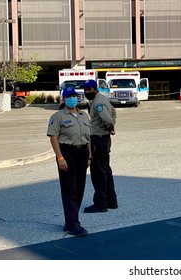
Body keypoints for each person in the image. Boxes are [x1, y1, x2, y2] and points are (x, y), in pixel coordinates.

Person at [47, 87, 91, 237]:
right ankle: (73, 224)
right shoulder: (58, 116)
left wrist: (89, 156)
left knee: (79, 189)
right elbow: (53, 137)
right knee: (69, 189)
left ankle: (70, 221)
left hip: (82, 153)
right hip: (67, 154)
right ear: (64, 99)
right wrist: (60, 158)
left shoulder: (83, 115)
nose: (72, 98)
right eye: (69, 96)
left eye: (74, 96)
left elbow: (88, 137)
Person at [82, 79, 118, 213]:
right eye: (85, 90)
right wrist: (110, 126)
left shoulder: (98, 102)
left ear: (95, 89)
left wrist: (111, 126)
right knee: (106, 170)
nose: (87, 92)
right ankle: (111, 200)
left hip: (98, 139)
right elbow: (113, 112)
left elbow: (108, 118)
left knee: (98, 173)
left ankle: (101, 203)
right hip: (103, 138)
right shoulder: (102, 99)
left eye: (89, 90)